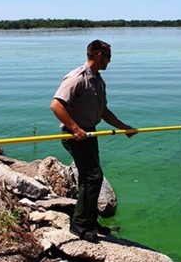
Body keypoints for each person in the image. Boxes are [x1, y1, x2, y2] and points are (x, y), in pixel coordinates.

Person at [50, 39, 136, 242]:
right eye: (108, 57)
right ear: (98, 55)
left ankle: (90, 221)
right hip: (75, 135)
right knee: (93, 177)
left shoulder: (98, 80)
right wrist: (75, 129)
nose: (110, 62)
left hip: (90, 133)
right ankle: (79, 225)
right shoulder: (77, 78)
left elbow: (103, 110)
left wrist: (124, 128)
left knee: (88, 178)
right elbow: (56, 105)